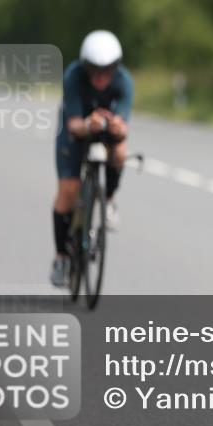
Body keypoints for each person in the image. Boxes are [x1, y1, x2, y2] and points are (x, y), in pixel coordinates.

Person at [50, 30, 134, 287]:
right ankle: (61, 257)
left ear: (115, 68)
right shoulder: (74, 76)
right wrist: (88, 125)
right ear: (85, 67)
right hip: (76, 131)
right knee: (68, 192)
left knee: (120, 152)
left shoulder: (124, 82)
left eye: (106, 70)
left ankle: (108, 199)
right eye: (94, 70)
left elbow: (123, 124)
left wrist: (118, 128)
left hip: (105, 130)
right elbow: (74, 125)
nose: (100, 77)